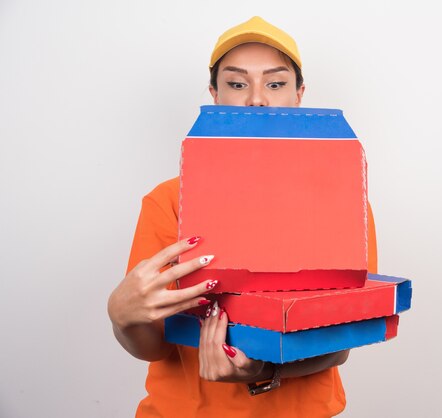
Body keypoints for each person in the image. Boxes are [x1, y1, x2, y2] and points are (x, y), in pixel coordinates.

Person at [108, 16, 378, 417]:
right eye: (237, 84)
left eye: (275, 83)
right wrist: (122, 319)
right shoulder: (167, 200)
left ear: (299, 95)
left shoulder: (345, 202)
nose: (256, 99)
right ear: (215, 94)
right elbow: (154, 346)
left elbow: (339, 345)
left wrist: (264, 372)